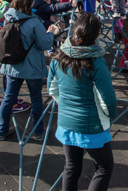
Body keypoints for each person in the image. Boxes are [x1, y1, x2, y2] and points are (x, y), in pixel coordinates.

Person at [48, 12, 117, 191]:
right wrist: (109, 117)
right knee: (104, 167)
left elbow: (52, 89)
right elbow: (107, 99)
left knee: (71, 167)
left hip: (66, 124)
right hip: (91, 126)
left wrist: (66, 106)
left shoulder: (59, 58)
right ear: (95, 37)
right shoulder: (96, 63)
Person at [0, 0, 56, 141]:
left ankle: (2, 130)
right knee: (36, 98)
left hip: (12, 64)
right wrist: (50, 32)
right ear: (30, 2)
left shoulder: (8, 17)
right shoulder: (34, 21)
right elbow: (44, 44)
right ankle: (38, 132)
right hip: (31, 66)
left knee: (8, 98)